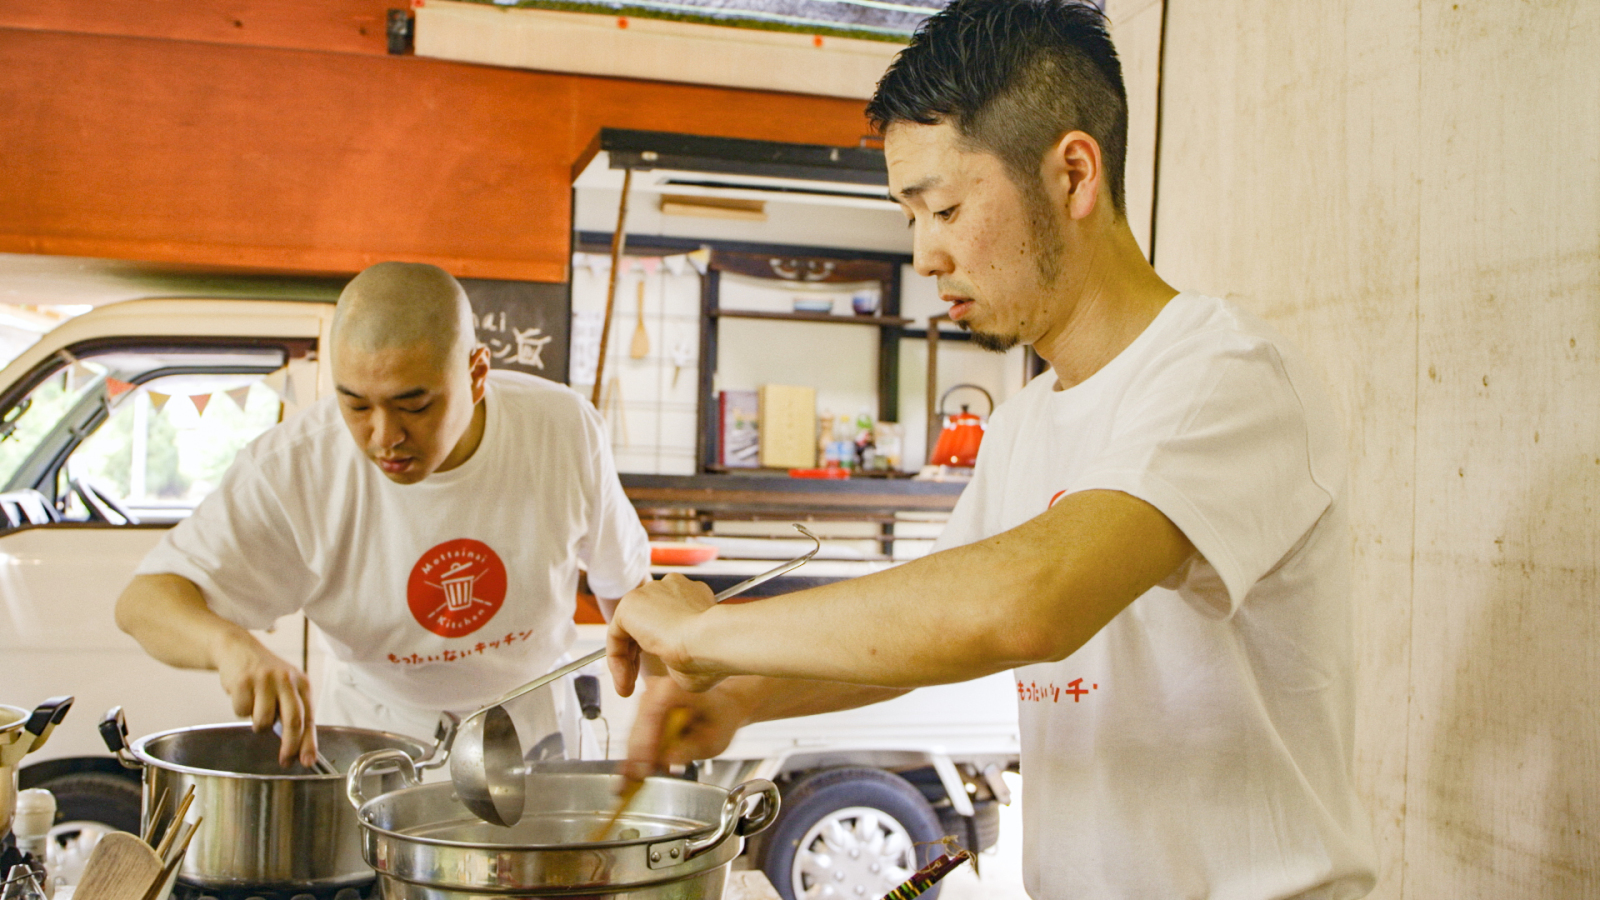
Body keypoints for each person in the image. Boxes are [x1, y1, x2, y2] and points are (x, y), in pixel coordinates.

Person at [603, 1, 1378, 897]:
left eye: (946, 207)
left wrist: (710, 633)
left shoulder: (1227, 373)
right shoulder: (1025, 423)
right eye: (910, 218)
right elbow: (928, 626)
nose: (926, 255)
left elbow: (1024, 606)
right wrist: (737, 695)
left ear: (1074, 174)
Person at [116, 262, 649, 768]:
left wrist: (668, 688)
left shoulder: (562, 430)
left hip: (534, 723)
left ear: (477, 374)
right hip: (377, 735)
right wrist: (230, 645)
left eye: (414, 406)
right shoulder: (296, 467)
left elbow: (624, 587)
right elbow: (144, 602)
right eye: (356, 405)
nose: (384, 437)